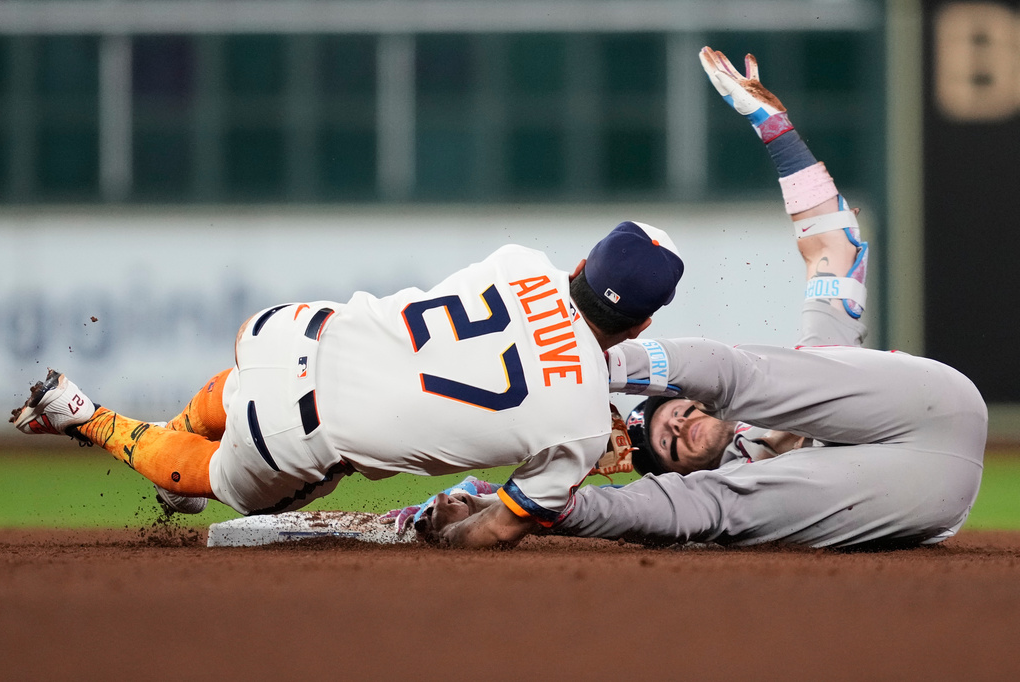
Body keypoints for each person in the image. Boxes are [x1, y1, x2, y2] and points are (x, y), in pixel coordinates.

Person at [419, 47, 987, 549]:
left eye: (679, 411)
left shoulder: (800, 373)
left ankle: (586, 362)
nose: (683, 425)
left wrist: (776, 129)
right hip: (925, 508)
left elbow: (837, 252)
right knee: (718, 510)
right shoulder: (721, 486)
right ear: (666, 469)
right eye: (669, 441)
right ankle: (543, 495)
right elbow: (680, 505)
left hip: (936, 408)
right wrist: (508, 498)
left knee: (746, 375)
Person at [10, 219, 684, 549]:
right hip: (303, 434)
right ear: (642, 322)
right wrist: (436, 536)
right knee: (210, 477)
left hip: (293, 328)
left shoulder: (521, 261)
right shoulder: (584, 420)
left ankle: (183, 426)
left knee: (242, 389)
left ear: (580, 263)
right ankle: (86, 415)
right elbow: (497, 532)